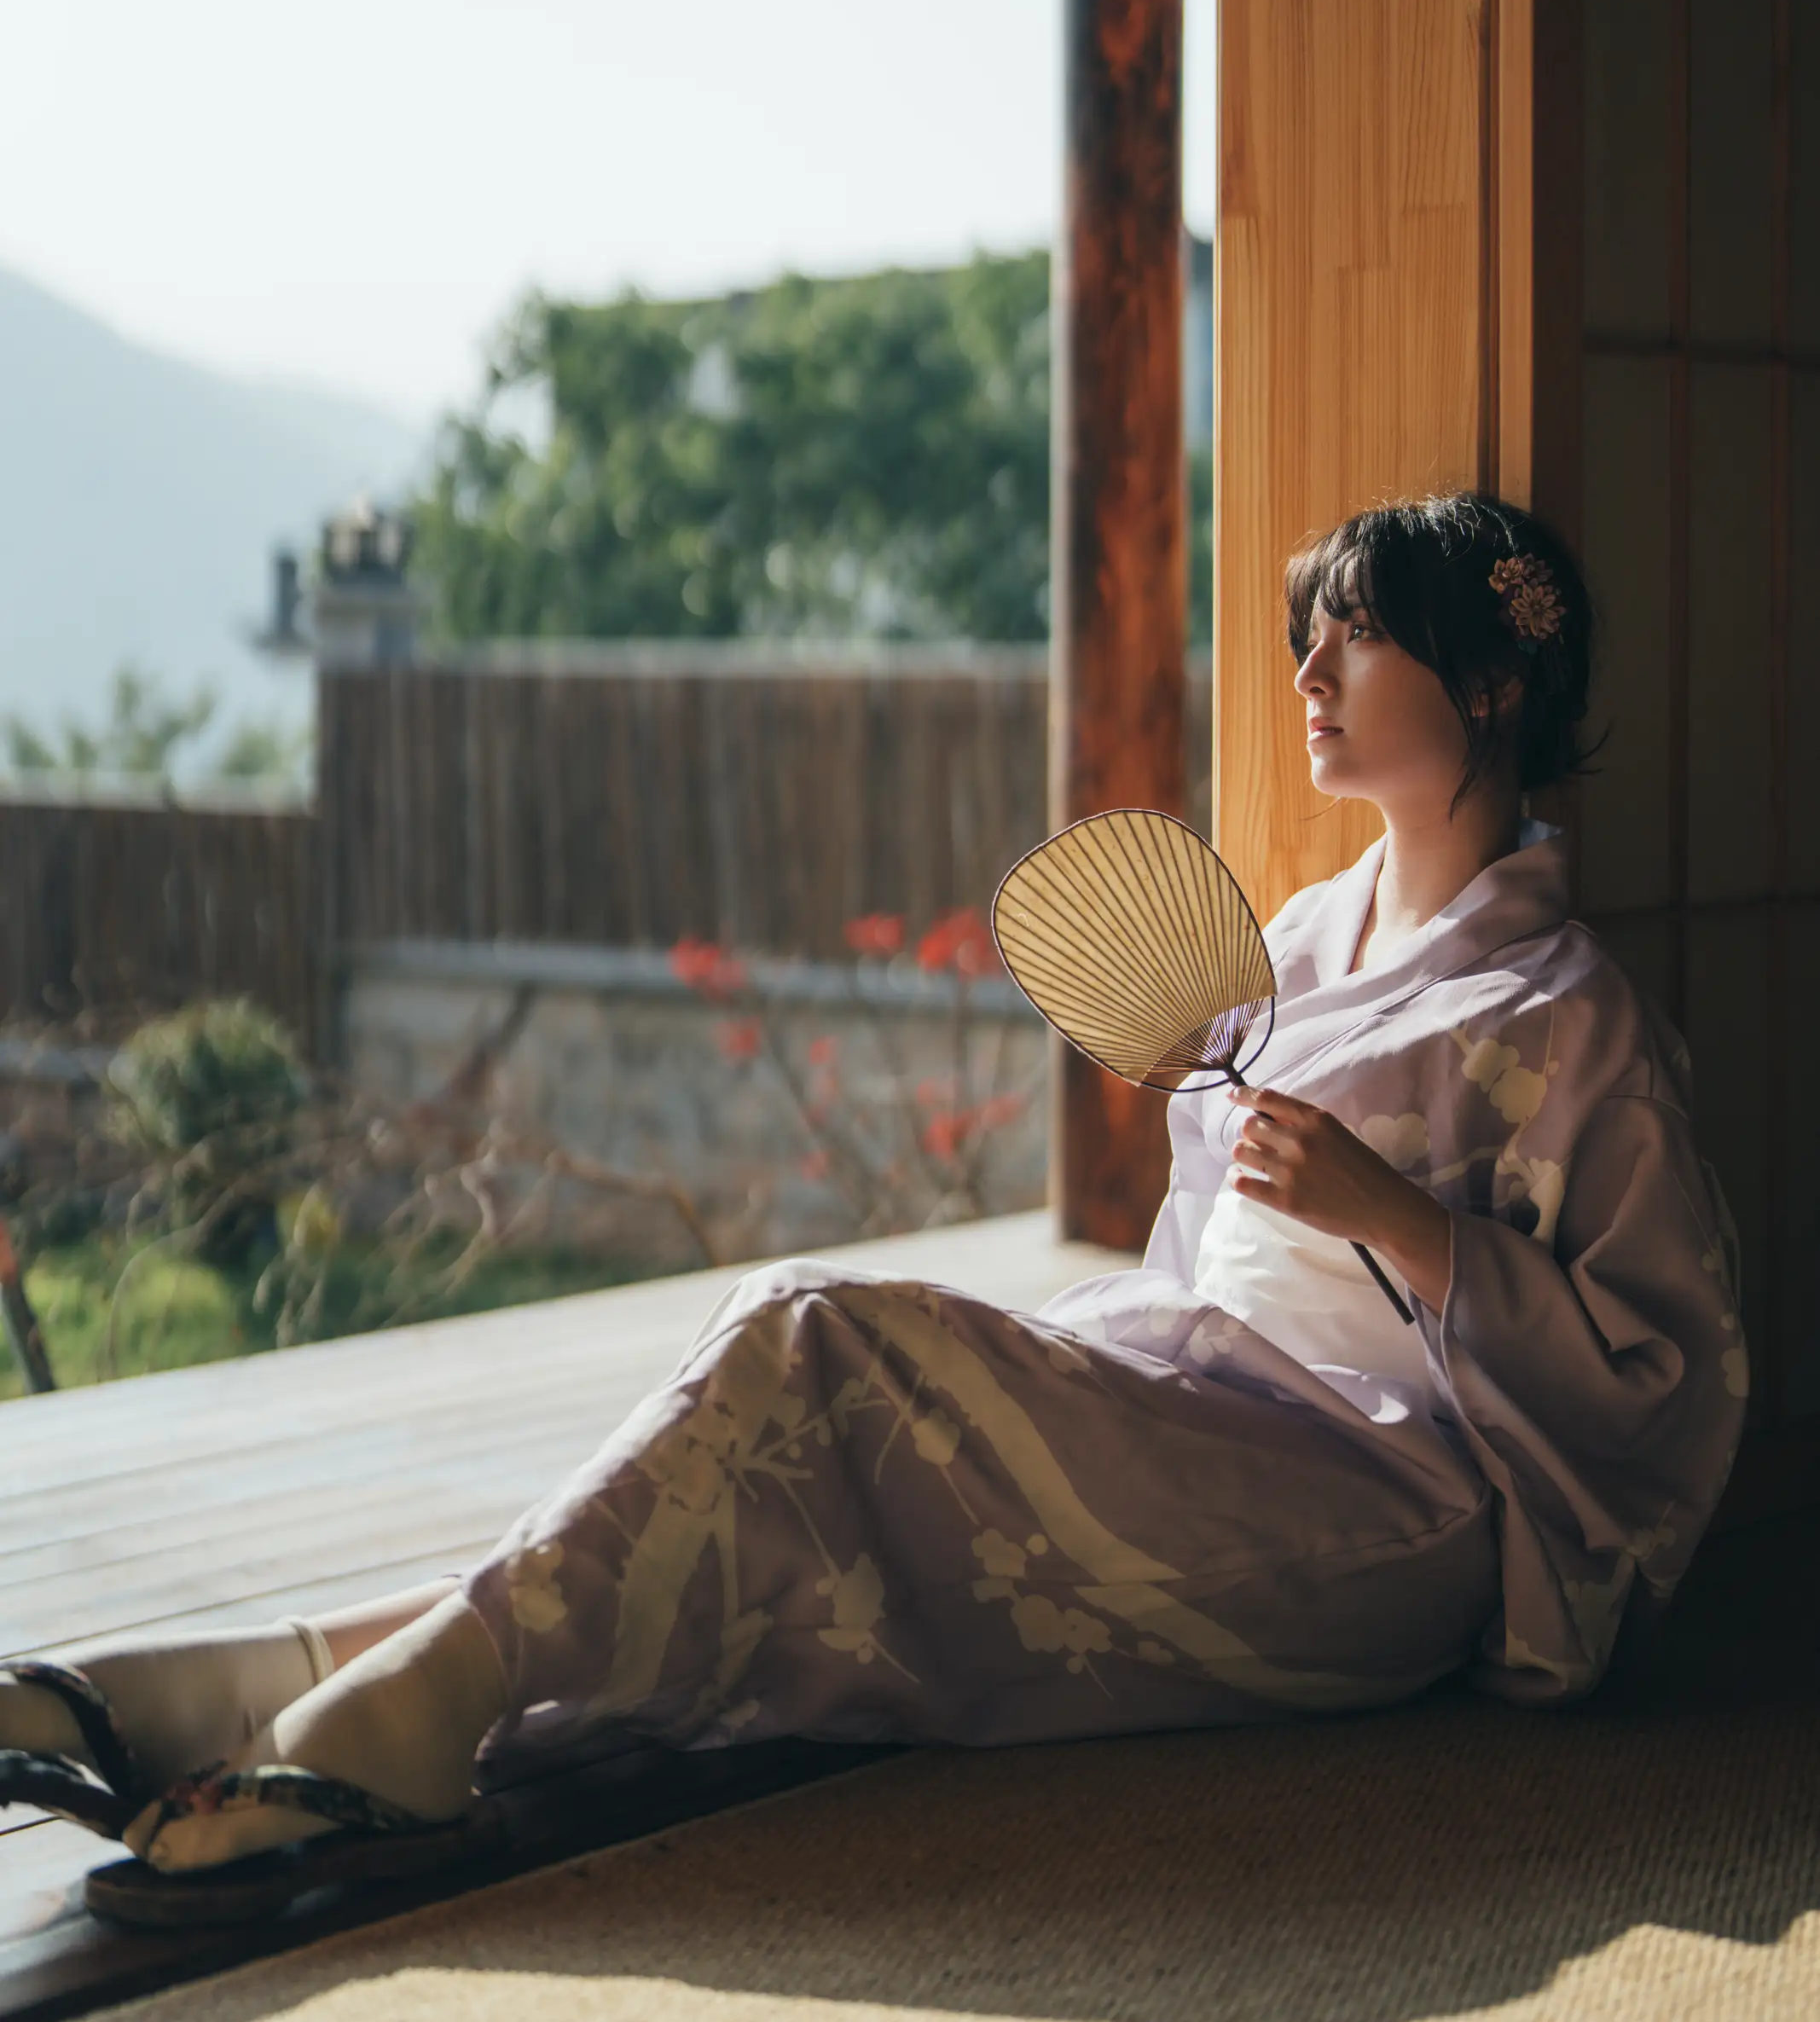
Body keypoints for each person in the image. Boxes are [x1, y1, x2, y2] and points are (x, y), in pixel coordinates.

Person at [0, 493, 1748, 1900]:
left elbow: (1664, 1379)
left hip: (1380, 1508)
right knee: (792, 1434)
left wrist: (1403, 1221)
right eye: (1309, 627)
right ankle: (320, 1685)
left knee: (810, 1339)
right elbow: (1193, 1257)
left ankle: (340, 1701)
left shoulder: (1566, 1013)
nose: (1306, 663)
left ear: (1492, 684)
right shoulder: (1293, 942)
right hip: (1205, 1404)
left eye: (1353, 633)